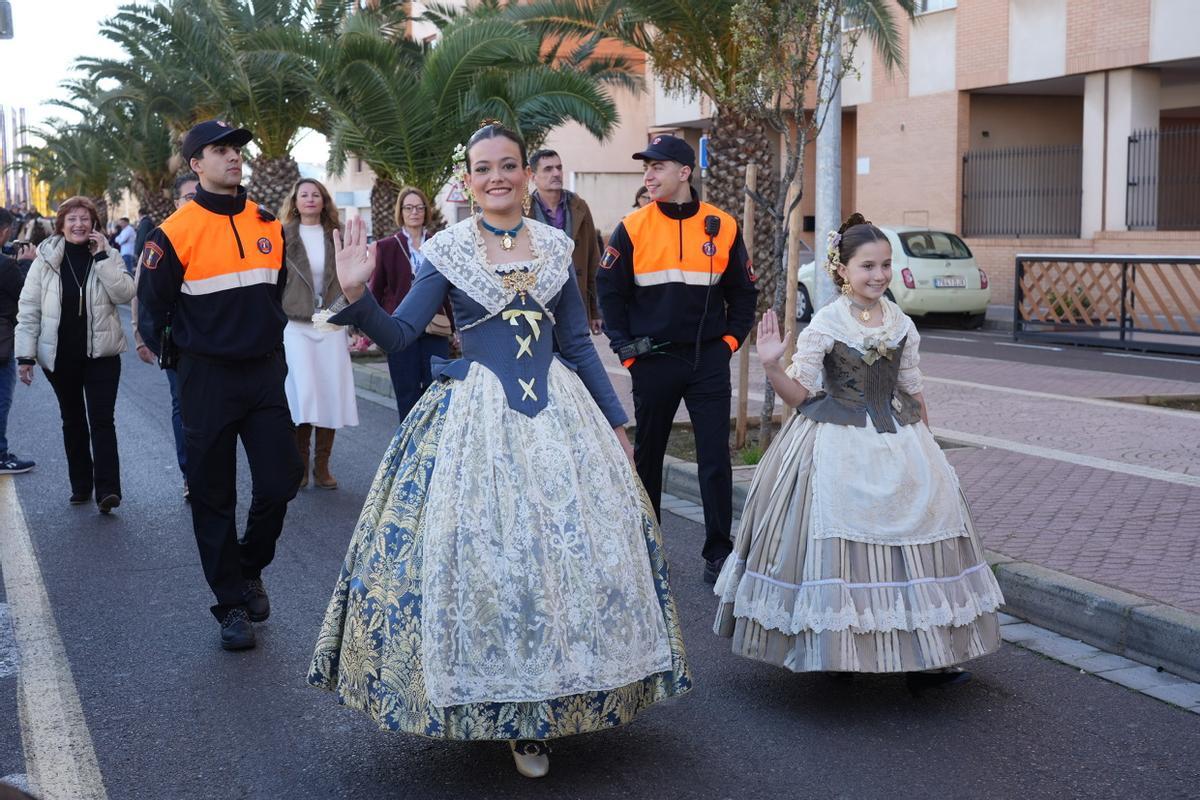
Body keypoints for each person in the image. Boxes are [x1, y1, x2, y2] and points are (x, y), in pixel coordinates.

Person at [308, 123, 691, 779]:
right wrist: (355, 296)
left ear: (525, 172)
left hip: (559, 418)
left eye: (507, 165)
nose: (496, 178)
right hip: (474, 425)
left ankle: (552, 702)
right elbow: (401, 336)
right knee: (492, 557)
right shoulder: (449, 251)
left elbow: (575, 343)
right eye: (482, 167)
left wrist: (616, 424)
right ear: (466, 178)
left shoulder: (554, 247)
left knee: (566, 555)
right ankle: (505, 707)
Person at [713, 214, 1003, 689]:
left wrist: (931, 450)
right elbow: (802, 395)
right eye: (868, 266)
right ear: (842, 269)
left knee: (925, 536)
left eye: (886, 265)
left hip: (900, 441)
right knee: (839, 545)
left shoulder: (902, 322)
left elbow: (911, 390)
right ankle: (839, 649)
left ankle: (928, 656)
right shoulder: (827, 321)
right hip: (836, 444)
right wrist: (770, 366)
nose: (880, 275)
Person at [137, 119, 303, 651]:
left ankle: (249, 566)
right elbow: (152, 308)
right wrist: (180, 363)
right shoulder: (174, 232)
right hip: (204, 377)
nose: (234, 157)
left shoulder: (267, 223)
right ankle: (231, 604)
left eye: (237, 150)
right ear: (196, 164)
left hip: (262, 373)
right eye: (221, 150)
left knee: (281, 481)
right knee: (213, 496)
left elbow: (272, 294)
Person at [596, 134, 758, 585]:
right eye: (645, 168)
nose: (648, 175)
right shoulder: (632, 226)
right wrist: (627, 352)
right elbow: (609, 292)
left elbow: (743, 293)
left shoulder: (722, 225)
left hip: (708, 359)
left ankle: (718, 554)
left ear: (684, 172)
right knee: (648, 457)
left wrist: (729, 343)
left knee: (714, 459)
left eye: (658, 167)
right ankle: (650, 548)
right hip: (653, 360)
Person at [15, 197, 135, 511]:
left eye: (85, 219)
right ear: (61, 224)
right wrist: (25, 357)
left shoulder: (109, 255)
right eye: (72, 219)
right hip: (60, 358)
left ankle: (108, 490)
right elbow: (28, 310)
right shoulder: (46, 258)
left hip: (102, 357)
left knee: (102, 421)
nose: (79, 224)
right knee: (73, 420)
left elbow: (125, 293)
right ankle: (81, 485)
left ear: (94, 224)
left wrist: (103, 258)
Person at [279, 178, 358, 489]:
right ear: (295, 202)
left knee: (329, 393)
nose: (310, 199)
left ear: (324, 201)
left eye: (316, 195)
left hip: (331, 324)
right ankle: (298, 465)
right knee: (302, 395)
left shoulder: (336, 236)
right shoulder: (282, 235)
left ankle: (322, 467)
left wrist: (344, 313)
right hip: (296, 325)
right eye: (304, 195)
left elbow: (350, 279)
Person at [132, 173, 199, 498]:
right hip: (177, 342)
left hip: (217, 343)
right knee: (182, 406)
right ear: (176, 202)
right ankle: (190, 475)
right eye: (189, 196)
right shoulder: (163, 236)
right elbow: (142, 291)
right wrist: (142, 337)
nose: (196, 199)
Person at [368, 186, 453, 421]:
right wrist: (373, 329)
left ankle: (433, 448)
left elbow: (451, 289)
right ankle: (409, 450)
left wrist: (456, 328)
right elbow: (377, 289)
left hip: (435, 326)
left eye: (419, 207)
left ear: (426, 211)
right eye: (409, 207)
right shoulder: (387, 247)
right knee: (407, 392)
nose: (414, 212)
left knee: (436, 389)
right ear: (401, 212)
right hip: (400, 328)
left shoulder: (439, 243)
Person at [526, 149, 603, 334]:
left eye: (559, 168)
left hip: (576, 299)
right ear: (533, 175)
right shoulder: (523, 211)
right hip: (538, 305)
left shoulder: (579, 206)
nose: (556, 173)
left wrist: (595, 311)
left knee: (576, 357)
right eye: (548, 169)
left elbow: (594, 259)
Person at [0, 208, 36, 475]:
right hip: (1, 345)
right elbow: (25, 294)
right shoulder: (6, 265)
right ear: (5, 231)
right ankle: (1, 456)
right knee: (2, 399)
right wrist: (25, 262)